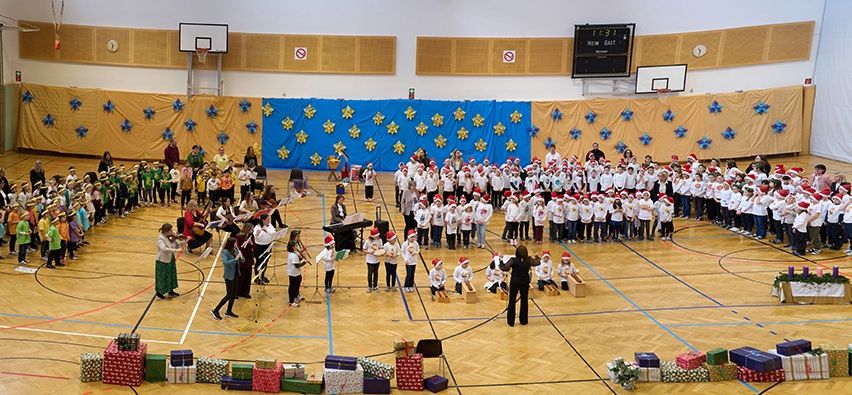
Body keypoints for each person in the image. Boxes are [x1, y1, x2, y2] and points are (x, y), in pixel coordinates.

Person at [500, 245, 541, 327]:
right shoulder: (529, 260)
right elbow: (538, 262)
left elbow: (503, 268)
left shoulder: (513, 260)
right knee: (524, 300)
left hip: (515, 282)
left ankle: (511, 321)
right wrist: (536, 255)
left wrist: (500, 259)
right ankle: (523, 320)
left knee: (512, 301)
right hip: (525, 282)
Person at [211, 237, 241, 320]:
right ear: (231, 243)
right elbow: (225, 263)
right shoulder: (225, 252)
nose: (237, 244)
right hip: (229, 276)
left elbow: (242, 260)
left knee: (233, 294)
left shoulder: (235, 250)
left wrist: (241, 257)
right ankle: (216, 310)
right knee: (229, 295)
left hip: (236, 274)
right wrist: (235, 259)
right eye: (235, 243)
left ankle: (229, 311)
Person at [155, 223, 185, 299]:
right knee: (162, 277)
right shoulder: (160, 239)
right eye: (171, 230)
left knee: (171, 275)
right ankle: (159, 293)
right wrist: (176, 250)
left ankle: (170, 290)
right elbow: (163, 248)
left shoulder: (170, 237)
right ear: (166, 231)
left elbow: (176, 245)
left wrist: (184, 241)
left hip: (170, 259)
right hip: (162, 260)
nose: (172, 231)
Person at [253, 214, 275, 284]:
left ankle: (262, 276)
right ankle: (256, 277)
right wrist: (260, 232)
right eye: (267, 220)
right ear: (263, 220)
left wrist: (266, 231)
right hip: (259, 247)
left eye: (269, 219)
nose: (269, 221)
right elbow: (256, 237)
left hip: (268, 246)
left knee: (265, 262)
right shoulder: (257, 227)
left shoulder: (270, 226)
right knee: (259, 262)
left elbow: (273, 233)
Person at [235, 223, 255, 298]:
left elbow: (255, 247)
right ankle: (237, 293)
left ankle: (245, 292)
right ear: (248, 229)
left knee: (248, 277)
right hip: (242, 259)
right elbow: (238, 248)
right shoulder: (239, 237)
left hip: (249, 259)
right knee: (241, 277)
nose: (253, 230)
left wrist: (251, 243)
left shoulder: (251, 236)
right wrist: (245, 244)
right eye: (251, 229)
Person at [287, 240, 307, 307]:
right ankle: (291, 301)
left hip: (296, 273)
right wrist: (304, 262)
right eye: (295, 246)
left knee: (297, 285)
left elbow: (297, 261)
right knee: (292, 287)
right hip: (293, 273)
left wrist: (302, 258)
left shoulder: (294, 254)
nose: (297, 247)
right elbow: (297, 265)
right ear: (292, 247)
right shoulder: (292, 255)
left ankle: (296, 296)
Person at [364, 227, 382, 293]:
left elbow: (381, 248)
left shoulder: (380, 241)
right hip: (370, 260)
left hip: (377, 260)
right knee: (370, 273)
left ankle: (375, 285)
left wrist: (379, 252)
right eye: (376, 235)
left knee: (376, 273)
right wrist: (369, 252)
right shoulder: (368, 241)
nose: (378, 236)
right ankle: (369, 286)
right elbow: (364, 249)